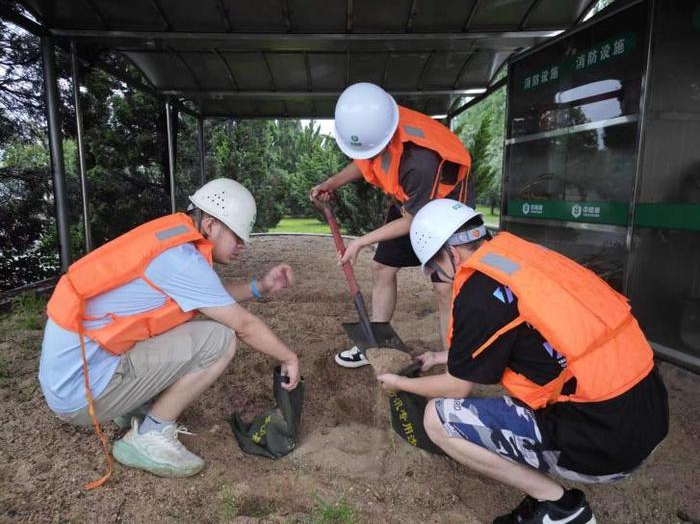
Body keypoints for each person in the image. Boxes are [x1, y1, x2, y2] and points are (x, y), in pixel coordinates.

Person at [377, 199, 669, 524]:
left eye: (433, 268)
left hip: (608, 445)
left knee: (437, 418)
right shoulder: (519, 257)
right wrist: (441, 355)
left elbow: (456, 387)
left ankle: (560, 508)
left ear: (451, 254)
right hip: (650, 413)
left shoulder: (477, 292)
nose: (437, 275)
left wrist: (400, 383)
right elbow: (528, 330)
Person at [39, 178, 301, 482]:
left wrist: (261, 287)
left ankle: (131, 406)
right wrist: (289, 357)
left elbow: (209, 294)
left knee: (186, 328)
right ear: (211, 225)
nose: (241, 245)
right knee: (220, 339)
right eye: (237, 235)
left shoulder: (171, 242)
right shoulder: (184, 262)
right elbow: (244, 325)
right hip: (81, 396)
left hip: (73, 376)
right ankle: (149, 436)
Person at [310, 82, 474, 368]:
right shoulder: (377, 130)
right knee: (382, 267)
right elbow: (365, 161)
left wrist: (361, 241)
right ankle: (376, 341)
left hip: (448, 211)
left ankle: (454, 366)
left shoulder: (419, 162)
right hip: (409, 203)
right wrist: (331, 183)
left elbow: (414, 222)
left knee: (444, 287)